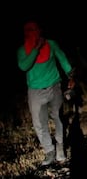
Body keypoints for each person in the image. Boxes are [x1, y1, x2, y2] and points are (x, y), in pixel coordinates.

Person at [16, 21, 74, 166]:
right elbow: (24, 66)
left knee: (58, 118)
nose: (32, 33)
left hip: (54, 86)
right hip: (35, 91)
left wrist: (70, 75)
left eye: (35, 30)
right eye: (29, 31)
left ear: (40, 31)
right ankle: (49, 151)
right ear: (25, 33)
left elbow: (62, 58)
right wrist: (36, 49)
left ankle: (60, 147)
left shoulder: (51, 44)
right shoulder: (22, 50)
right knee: (39, 124)